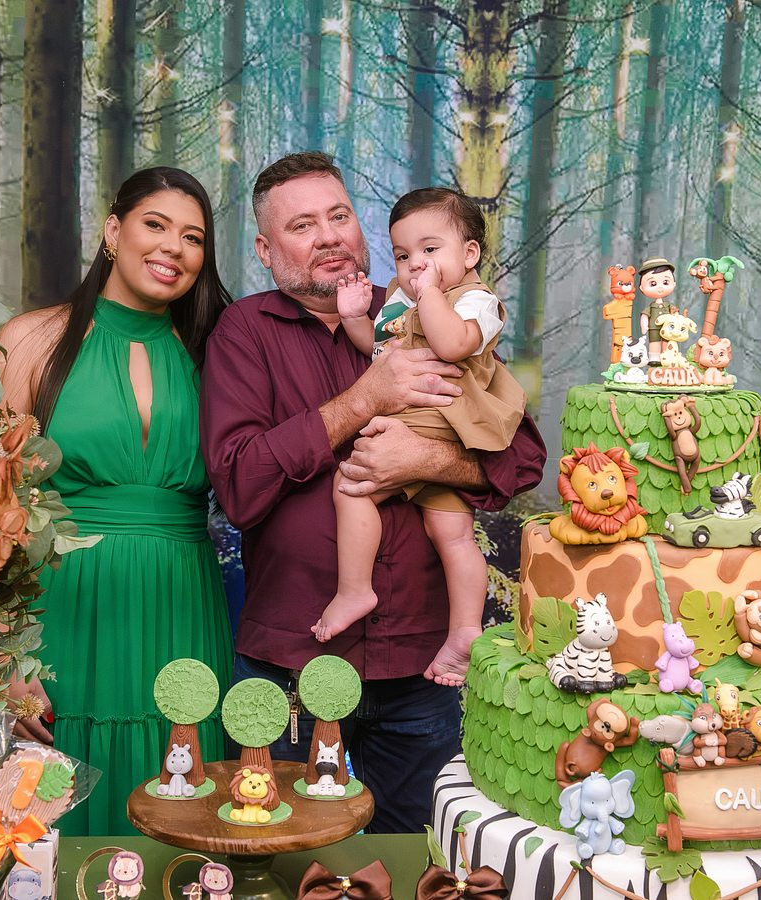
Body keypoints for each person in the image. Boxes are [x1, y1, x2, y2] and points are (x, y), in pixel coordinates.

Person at [199, 152, 546, 833]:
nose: (329, 236)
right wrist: (363, 400)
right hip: (294, 658)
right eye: (302, 225)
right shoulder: (245, 332)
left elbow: (521, 460)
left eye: (339, 216)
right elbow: (239, 483)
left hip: (420, 665)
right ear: (266, 251)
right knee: (287, 846)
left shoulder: (424, 310)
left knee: (421, 853)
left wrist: (427, 458)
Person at [0, 167, 233, 835]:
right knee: (58, 807)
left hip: (183, 604)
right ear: (112, 230)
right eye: (154, 224)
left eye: (193, 237)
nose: (173, 247)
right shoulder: (31, 341)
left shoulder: (216, 354)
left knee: (181, 799)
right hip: (62, 608)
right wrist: (4, 655)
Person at [313, 188, 527, 688]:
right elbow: (380, 352)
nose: (415, 265)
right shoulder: (401, 298)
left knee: (351, 485)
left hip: (443, 421)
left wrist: (429, 294)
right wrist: (354, 318)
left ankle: (355, 589)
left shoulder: (477, 301)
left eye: (430, 250)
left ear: (469, 254)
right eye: (403, 255)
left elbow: (452, 344)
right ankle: (464, 630)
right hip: (419, 420)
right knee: (451, 534)